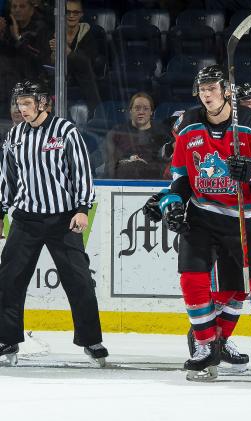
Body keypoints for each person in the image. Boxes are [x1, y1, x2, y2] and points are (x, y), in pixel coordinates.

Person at [142, 65, 251, 380]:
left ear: (225, 90)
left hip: (247, 217)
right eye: (203, 89)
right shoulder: (187, 126)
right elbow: (181, 177)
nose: (207, 95)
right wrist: (173, 204)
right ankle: (205, 344)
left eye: (213, 88)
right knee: (192, 276)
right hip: (203, 215)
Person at [0, 80, 107, 367]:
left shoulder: (65, 132)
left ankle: (91, 340)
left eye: (27, 103)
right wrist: (1, 211)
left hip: (63, 219)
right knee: (8, 280)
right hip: (25, 219)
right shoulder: (15, 135)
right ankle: (7, 339)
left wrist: (82, 208)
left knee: (80, 281)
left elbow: (81, 171)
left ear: (43, 103)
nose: (21, 109)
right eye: (19, 103)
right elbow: (8, 177)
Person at [48, 0, 102, 113]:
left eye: (76, 12)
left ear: (81, 14)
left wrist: (67, 51)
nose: (71, 15)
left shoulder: (89, 35)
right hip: (58, 82)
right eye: (68, 12)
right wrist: (53, 55)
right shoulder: (54, 33)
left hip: (83, 84)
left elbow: (87, 62)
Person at [103, 92, 170, 179]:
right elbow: (110, 165)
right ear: (130, 111)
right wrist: (128, 162)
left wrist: (144, 165)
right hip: (121, 182)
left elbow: (166, 166)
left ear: (151, 112)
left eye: (145, 109)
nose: (141, 112)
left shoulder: (162, 134)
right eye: (137, 108)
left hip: (153, 182)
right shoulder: (117, 133)